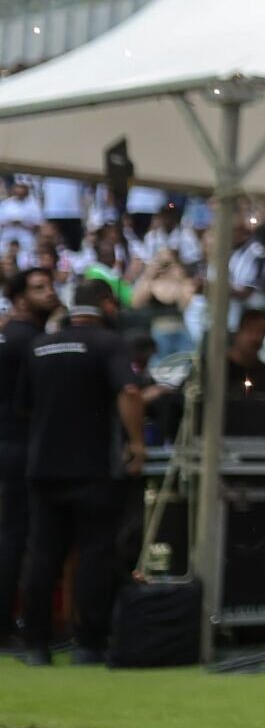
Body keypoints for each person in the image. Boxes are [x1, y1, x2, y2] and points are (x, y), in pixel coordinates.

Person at [16, 279, 144, 665]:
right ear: (106, 304)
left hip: (43, 466)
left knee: (42, 555)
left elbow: (25, 406)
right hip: (94, 468)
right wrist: (136, 443)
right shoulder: (108, 344)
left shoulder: (39, 346)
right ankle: (88, 644)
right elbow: (130, 392)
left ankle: (36, 645)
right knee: (94, 555)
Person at [0, 267, 59, 646]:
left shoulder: (7, 335)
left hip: (7, 443)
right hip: (21, 446)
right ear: (21, 298)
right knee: (18, 536)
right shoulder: (32, 342)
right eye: (40, 288)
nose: (51, 293)